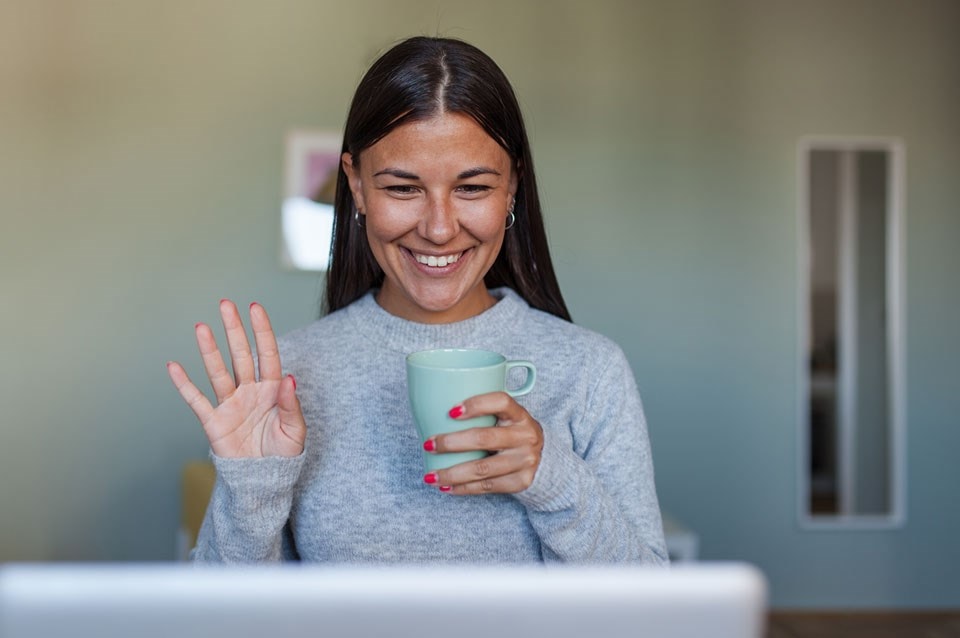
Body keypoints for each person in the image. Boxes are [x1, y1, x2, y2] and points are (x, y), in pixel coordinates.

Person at [167, 36, 668, 564]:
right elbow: (222, 618)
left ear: (512, 188)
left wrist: (553, 478)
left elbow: (657, 614)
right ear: (356, 186)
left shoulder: (590, 371)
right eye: (403, 189)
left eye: (472, 188)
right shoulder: (290, 381)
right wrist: (252, 492)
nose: (438, 228)